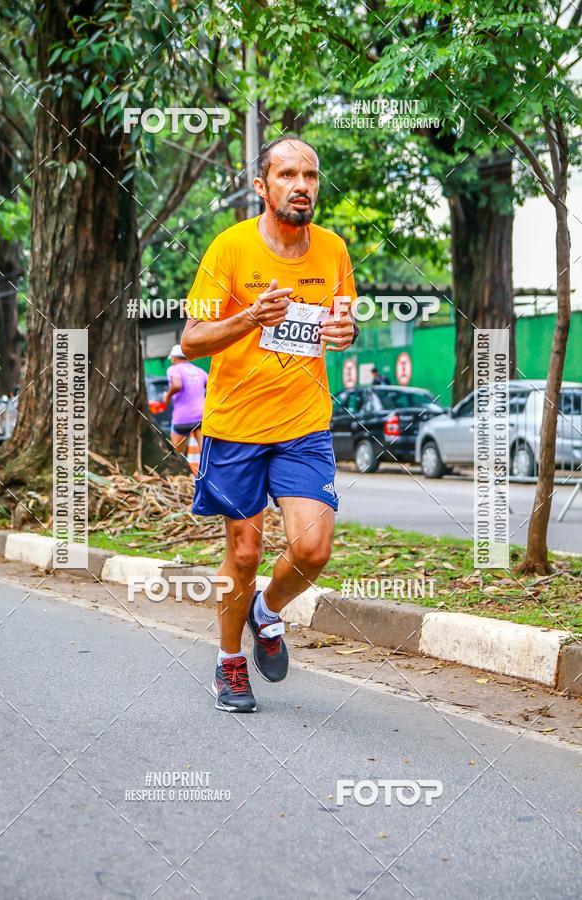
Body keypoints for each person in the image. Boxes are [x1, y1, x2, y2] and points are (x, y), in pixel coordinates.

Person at [182, 135, 358, 713]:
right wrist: (249, 318)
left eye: (309, 175)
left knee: (312, 550)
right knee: (245, 555)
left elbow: (343, 320)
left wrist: (346, 333)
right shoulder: (230, 249)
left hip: (304, 422)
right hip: (235, 427)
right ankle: (229, 662)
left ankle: (266, 613)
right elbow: (191, 338)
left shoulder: (332, 251)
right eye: (287, 175)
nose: (301, 185)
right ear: (262, 186)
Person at [163, 345, 207, 456]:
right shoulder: (199, 371)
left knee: (177, 455)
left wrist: (167, 396)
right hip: (201, 417)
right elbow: (211, 386)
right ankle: (205, 473)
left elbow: (177, 384)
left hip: (182, 418)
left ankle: (182, 472)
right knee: (205, 454)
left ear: (174, 358)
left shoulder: (173, 369)